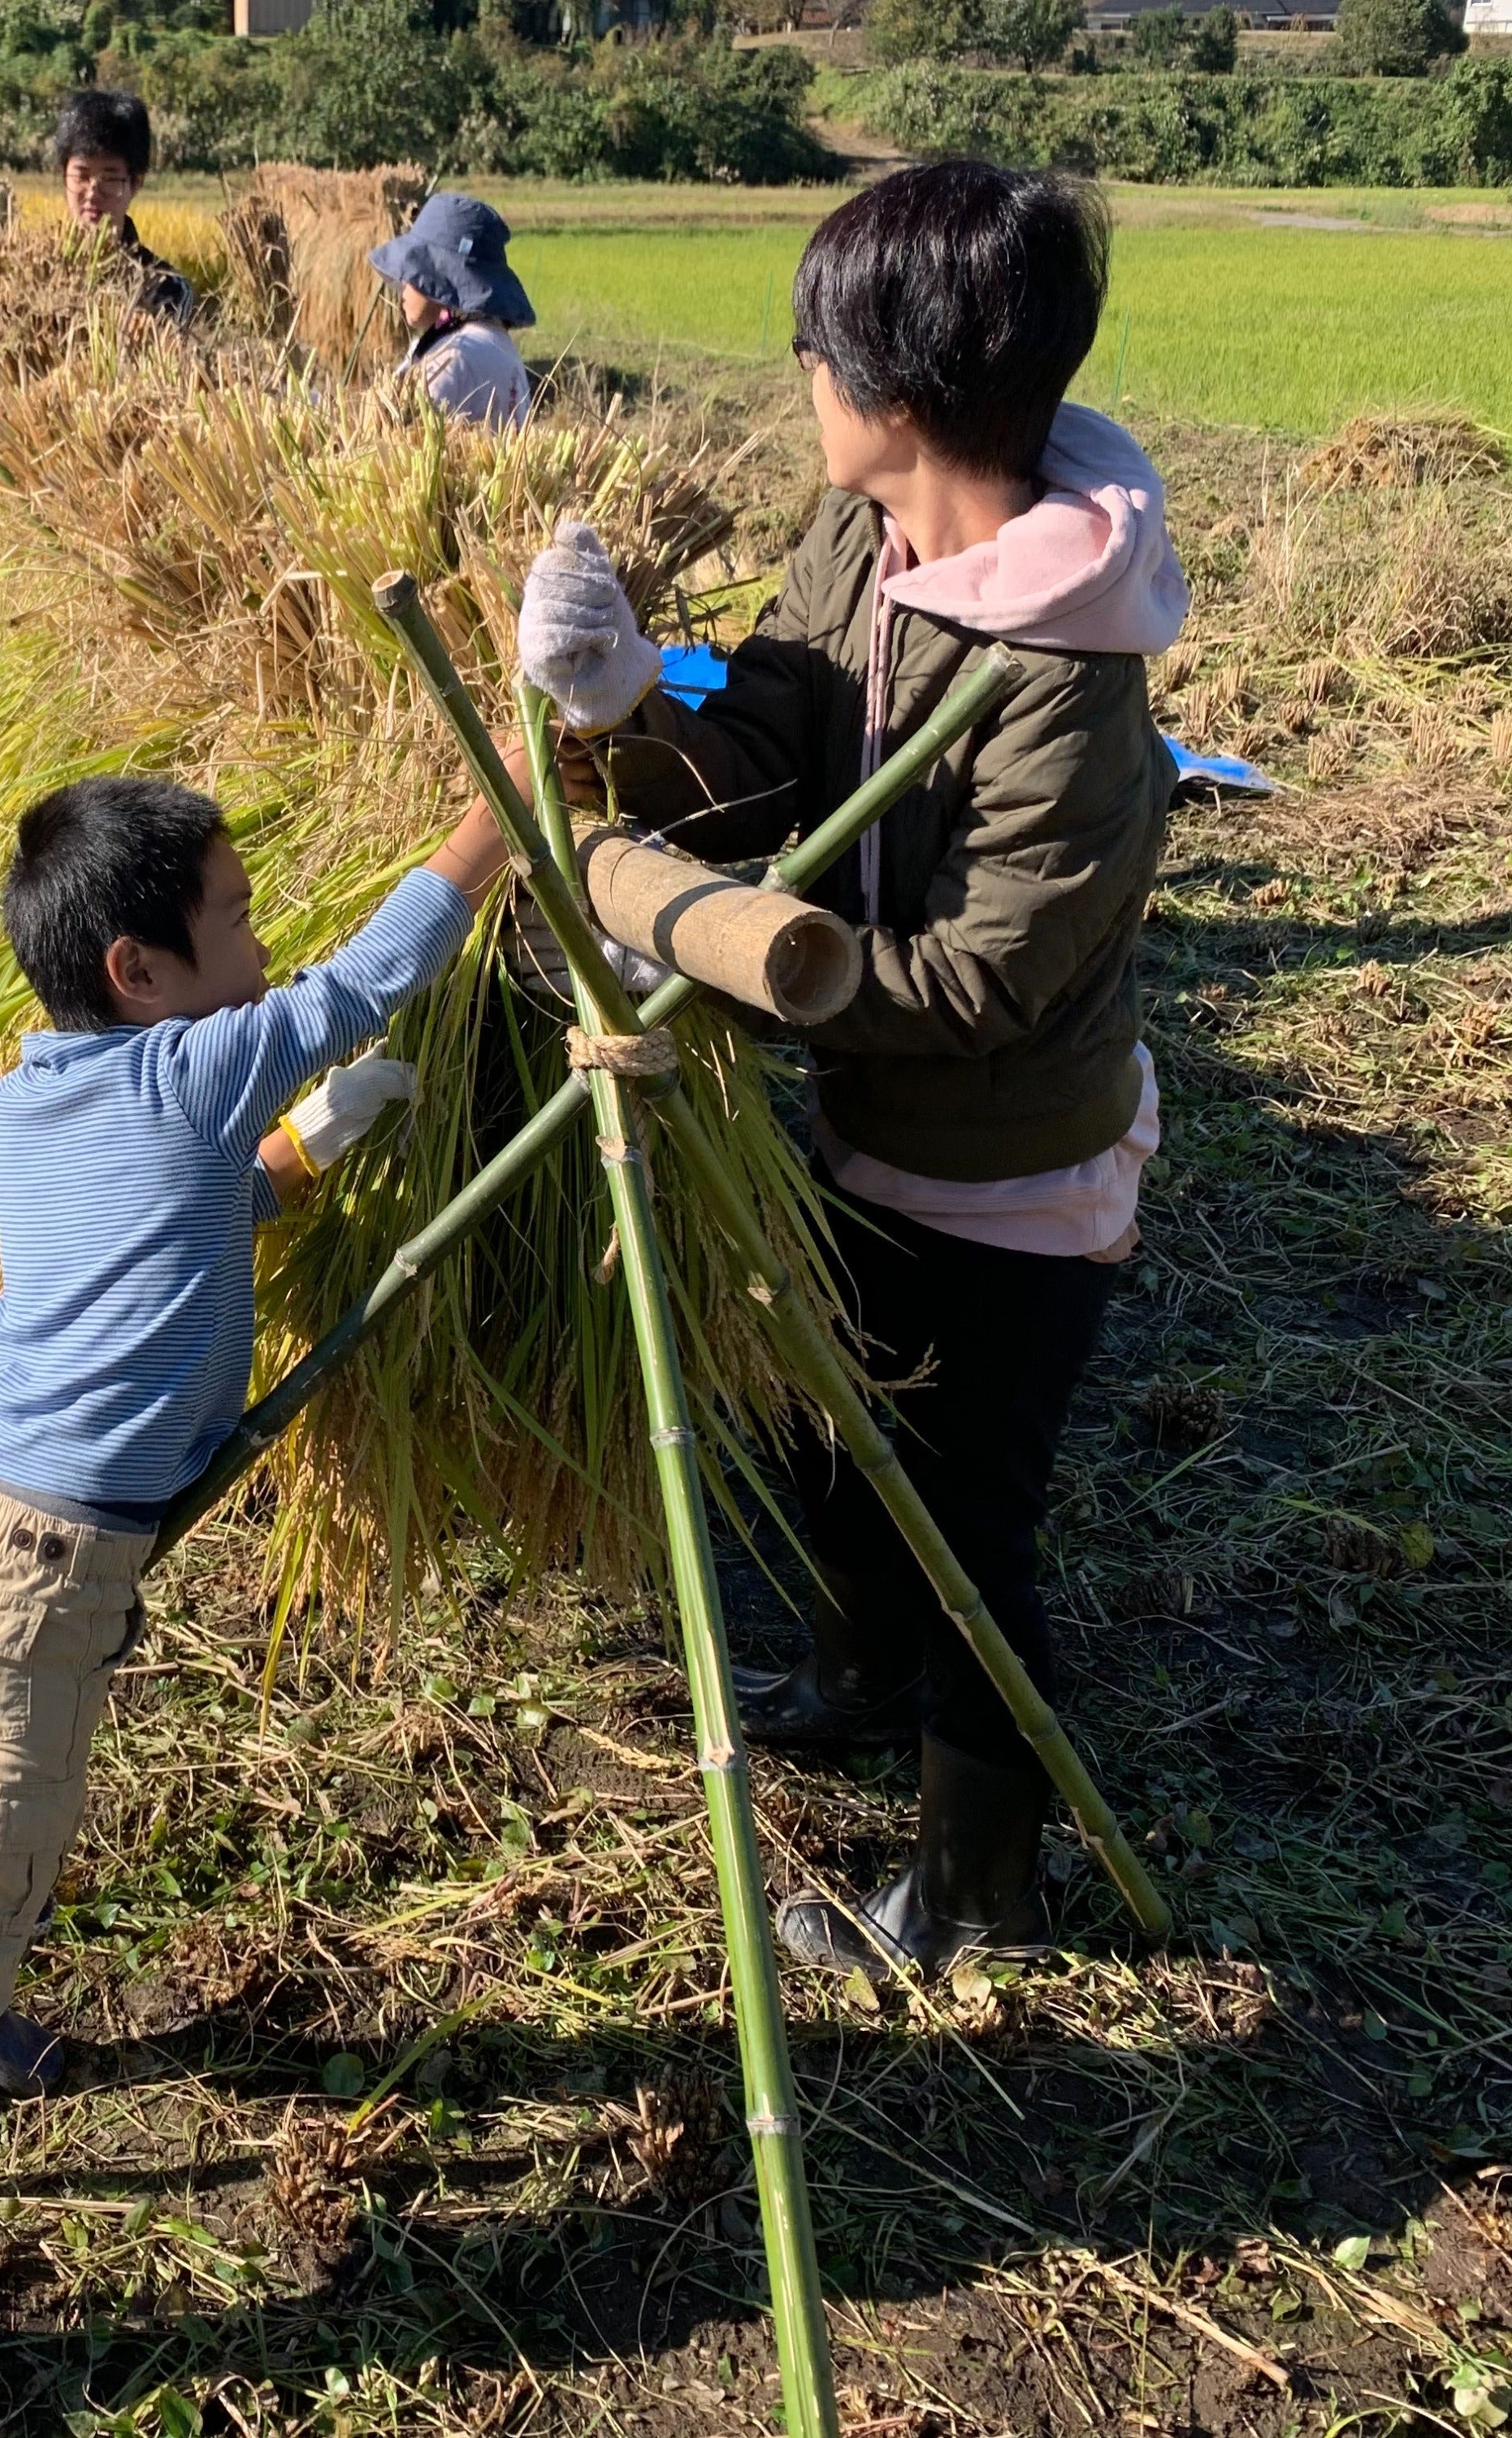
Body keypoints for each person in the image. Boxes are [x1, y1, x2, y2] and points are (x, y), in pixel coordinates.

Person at [0, 774, 509, 2397]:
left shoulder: (44, 1092)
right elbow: (363, 981)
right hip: (32, 1573)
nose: (263, 937)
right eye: (232, 920)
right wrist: (502, 808)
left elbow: (152, 1233)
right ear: (141, 970)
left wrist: (291, 1162)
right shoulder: (200, 1066)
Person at [514, 163, 1189, 1982]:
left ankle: (980, 1888)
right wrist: (627, 712)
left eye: (812, 350)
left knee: (967, 1521)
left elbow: (981, 986)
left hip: (1013, 1169)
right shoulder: (864, 548)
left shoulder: (1070, 679)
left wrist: (729, 961)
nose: (796, 377)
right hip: (871, 1121)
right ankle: (859, 1667)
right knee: (831, 1430)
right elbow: (771, 745)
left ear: (889, 390)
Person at [370, 192, 535, 429]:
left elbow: (398, 436)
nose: (403, 288)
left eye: (413, 275)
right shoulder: (492, 339)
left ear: (440, 280)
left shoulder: (456, 356)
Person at [51, 87, 193, 328]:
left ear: (136, 183)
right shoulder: (38, 274)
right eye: (81, 176)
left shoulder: (168, 287)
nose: (93, 192)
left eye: (109, 178)